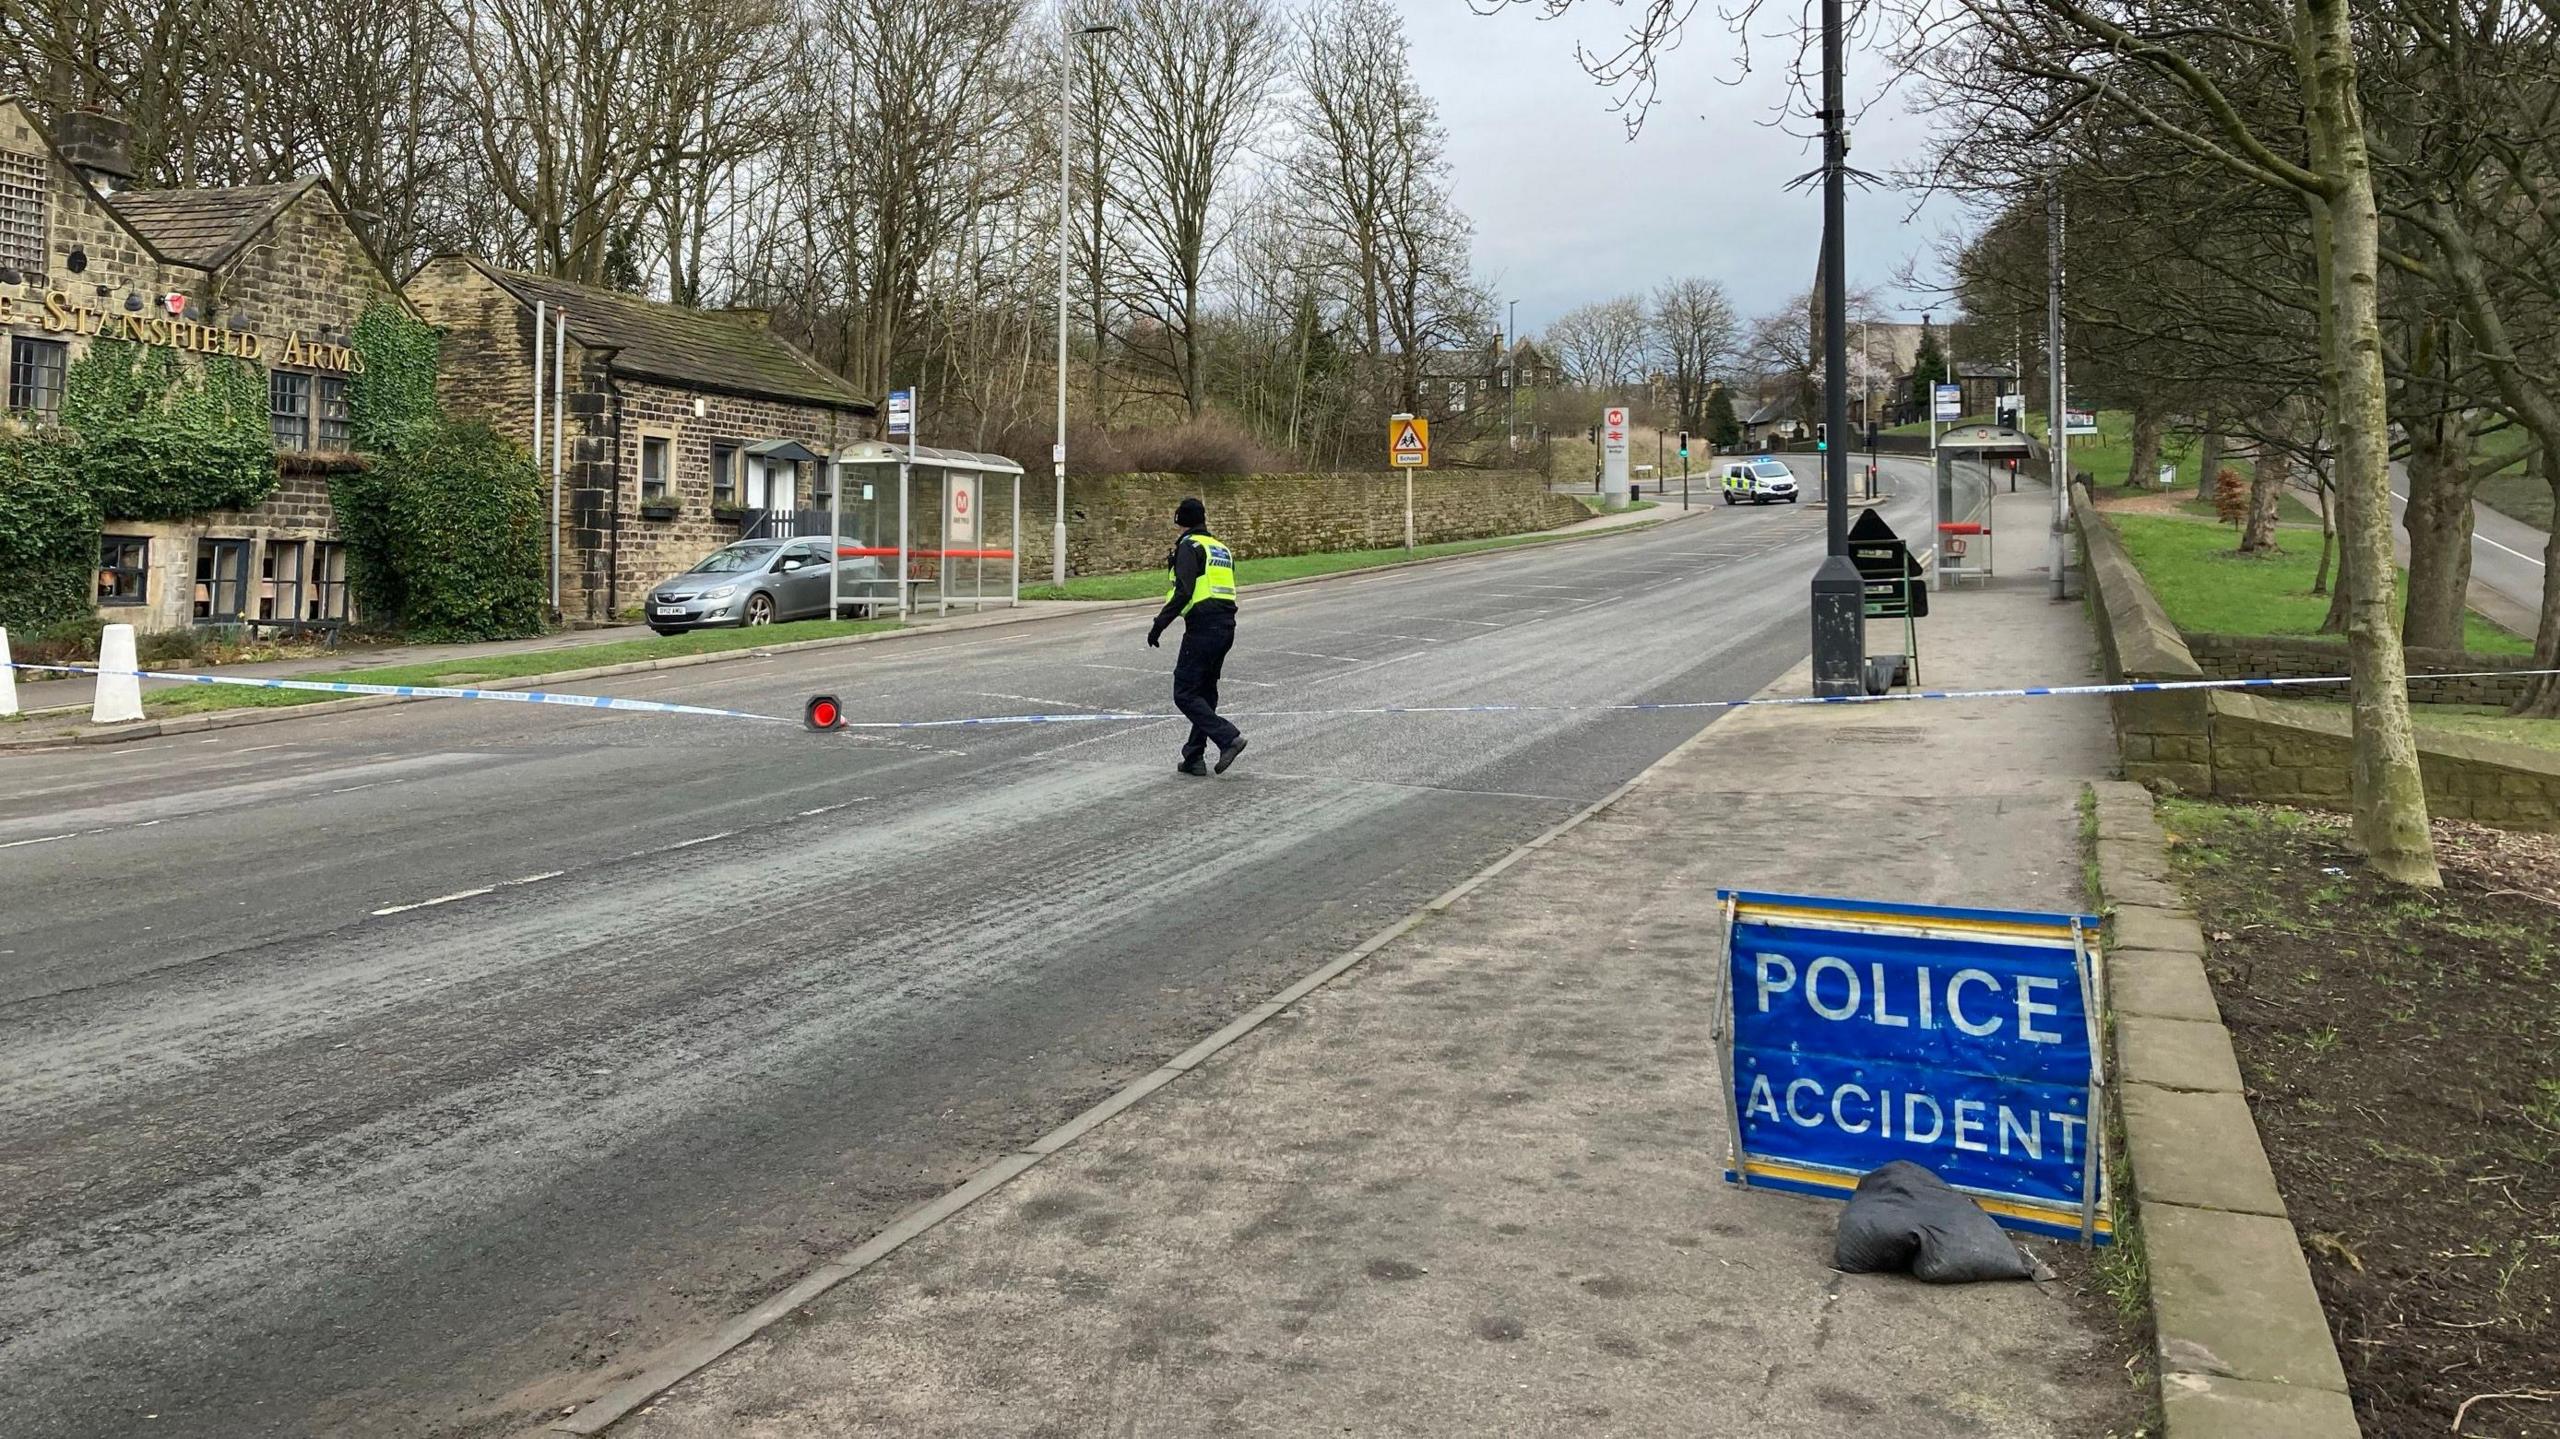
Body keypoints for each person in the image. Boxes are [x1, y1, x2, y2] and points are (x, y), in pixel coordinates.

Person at [1146, 497, 1246, 776]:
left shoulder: (1189, 547)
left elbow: (1184, 591)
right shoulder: (1221, 549)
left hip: (1202, 628)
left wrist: (1159, 624)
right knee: (1205, 692)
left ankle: (1228, 738)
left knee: (1184, 693)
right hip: (1226, 627)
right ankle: (1194, 757)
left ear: (1182, 521)